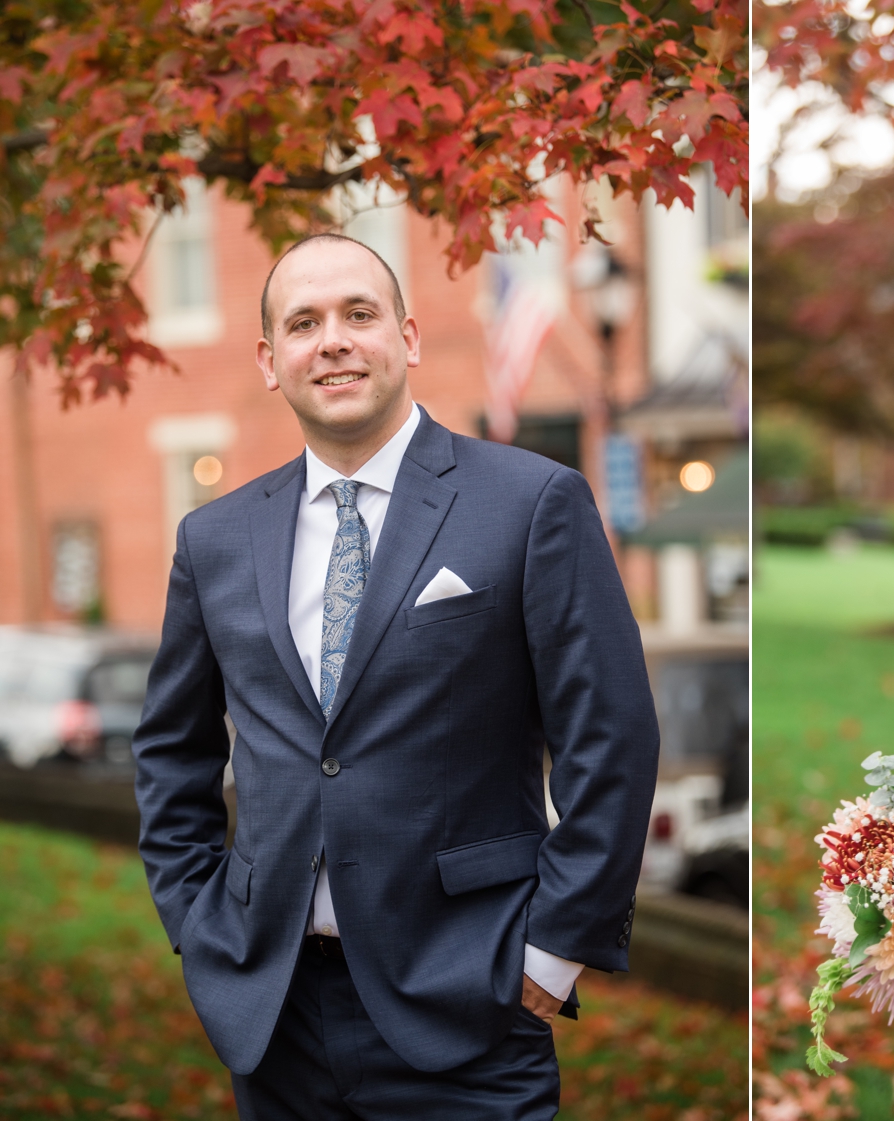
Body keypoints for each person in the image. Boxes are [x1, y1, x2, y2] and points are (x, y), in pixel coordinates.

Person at [133, 232, 659, 1119]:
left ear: (408, 337)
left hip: (472, 1001)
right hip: (276, 1013)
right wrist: (199, 923)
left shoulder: (530, 503)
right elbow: (170, 751)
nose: (332, 340)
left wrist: (553, 950)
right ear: (270, 360)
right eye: (303, 323)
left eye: (358, 314)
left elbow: (611, 739)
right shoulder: (214, 539)